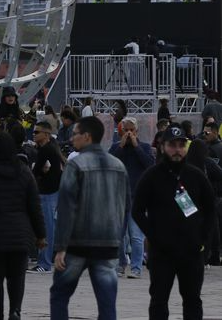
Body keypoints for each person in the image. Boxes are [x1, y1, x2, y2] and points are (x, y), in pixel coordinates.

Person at [132, 125, 216, 320]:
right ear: (162, 147)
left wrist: (203, 239)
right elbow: (137, 211)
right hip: (162, 254)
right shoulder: (151, 176)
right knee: (159, 301)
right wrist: (153, 236)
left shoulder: (196, 176)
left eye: (181, 145)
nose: (177, 150)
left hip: (191, 252)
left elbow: (210, 210)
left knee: (193, 300)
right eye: (172, 145)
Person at [50, 116, 129, 320]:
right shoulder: (118, 165)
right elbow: (124, 206)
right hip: (108, 243)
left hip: (78, 242)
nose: (72, 138)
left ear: (87, 136)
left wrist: (60, 247)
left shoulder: (75, 165)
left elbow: (67, 206)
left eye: (75, 134)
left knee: (59, 295)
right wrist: (118, 239)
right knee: (107, 303)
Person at [0, 132, 46, 320]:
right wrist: (41, 235)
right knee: (17, 278)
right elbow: (34, 206)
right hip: (19, 235)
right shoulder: (24, 172)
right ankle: (15, 311)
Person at [107, 115, 153, 279]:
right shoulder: (115, 147)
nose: (128, 133)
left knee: (136, 235)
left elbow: (149, 165)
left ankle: (136, 268)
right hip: (119, 196)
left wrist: (136, 146)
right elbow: (109, 164)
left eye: (131, 130)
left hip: (137, 196)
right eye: (125, 130)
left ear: (137, 131)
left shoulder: (145, 147)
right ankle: (120, 265)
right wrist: (121, 146)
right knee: (118, 235)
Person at [30, 119, 64, 274]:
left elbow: (36, 171)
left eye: (37, 132)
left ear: (46, 134)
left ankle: (44, 263)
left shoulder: (45, 150)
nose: (34, 134)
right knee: (50, 227)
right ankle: (45, 261)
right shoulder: (51, 148)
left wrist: (38, 174)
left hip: (47, 193)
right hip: (52, 192)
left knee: (47, 229)